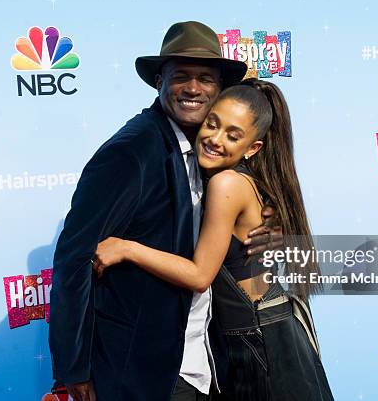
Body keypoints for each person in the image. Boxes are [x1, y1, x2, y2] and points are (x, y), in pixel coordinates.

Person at [49, 21, 280, 401]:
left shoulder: (210, 149)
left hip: (203, 363)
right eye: (181, 77)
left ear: (219, 90)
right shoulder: (132, 151)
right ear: (159, 81)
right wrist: (74, 366)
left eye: (206, 78)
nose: (193, 89)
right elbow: (74, 258)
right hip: (142, 372)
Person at [94, 79, 335, 400]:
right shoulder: (243, 179)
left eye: (233, 136)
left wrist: (126, 248)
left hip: (260, 341)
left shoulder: (226, 184)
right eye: (213, 124)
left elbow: (199, 275)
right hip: (267, 333)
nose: (215, 139)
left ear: (253, 148)